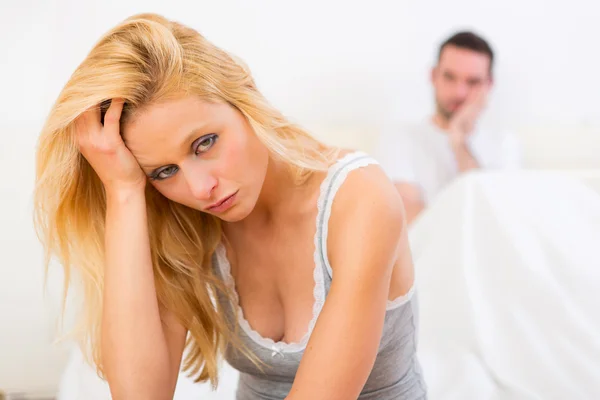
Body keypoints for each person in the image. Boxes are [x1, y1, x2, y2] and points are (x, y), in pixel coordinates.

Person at [33, 13, 427, 400]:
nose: (201, 188)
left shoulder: (360, 198)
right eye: (165, 171)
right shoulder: (185, 223)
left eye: (205, 143)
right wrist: (123, 190)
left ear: (243, 94)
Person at [376, 31, 521, 224]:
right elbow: (412, 224)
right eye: (450, 77)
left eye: (473, 82)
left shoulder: (505, 144)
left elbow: (495, 218)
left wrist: (459, 142)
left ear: (489, 85)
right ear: (434, 76)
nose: (459, 92)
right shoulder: (400, 139)